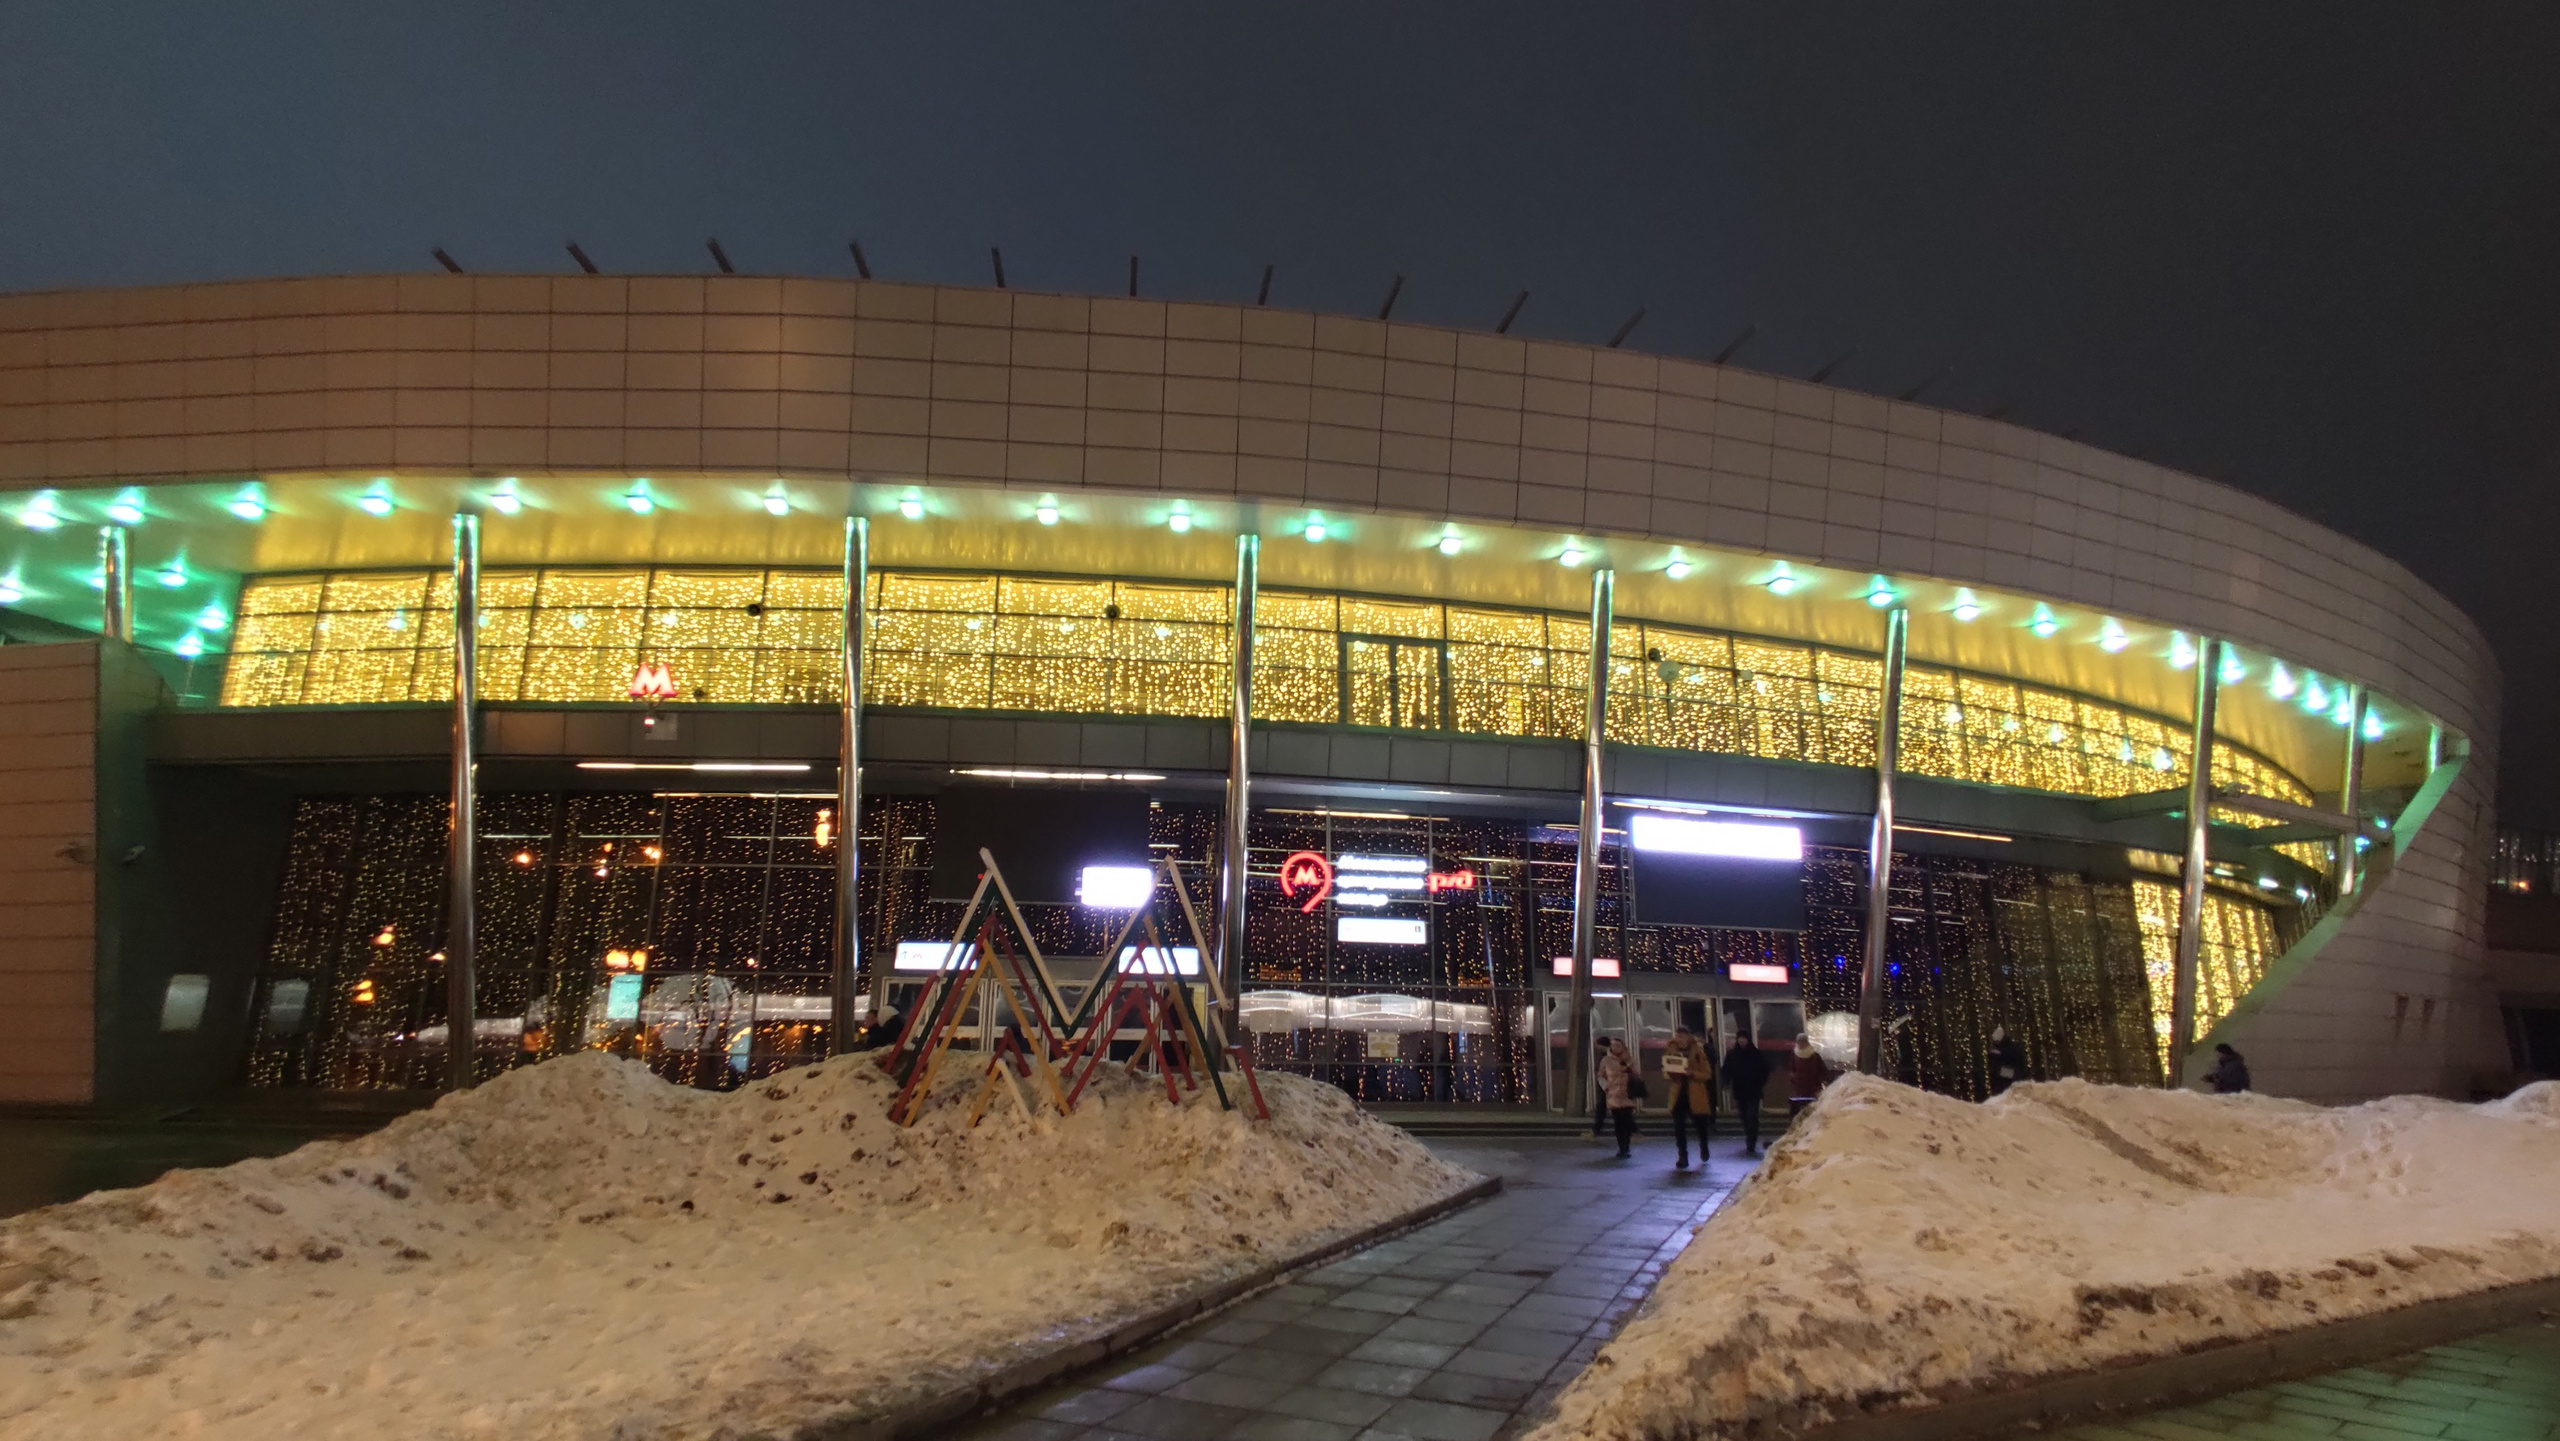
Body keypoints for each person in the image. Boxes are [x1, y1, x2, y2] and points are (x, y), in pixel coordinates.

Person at [1662, 1025, 1717, 1171]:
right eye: (1678, 1036)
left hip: (1695, 1093)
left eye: (1683, 1036)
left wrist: (1692, 1074)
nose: (1680, 1039)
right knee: (1679, 1127)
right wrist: (1673, 1073)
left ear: (1688, 1037)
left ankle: (1703, 1146)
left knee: (1700, 1125)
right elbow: (1666, 1070)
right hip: (1678, 1094)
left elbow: (1707, 1074)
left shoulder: (1698, 1051)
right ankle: (1682, 1156)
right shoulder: (1671, 1050)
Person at [1721, 1032, 1770, 1156]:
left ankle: (1751, 1141)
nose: (1742, 1041)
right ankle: (1749, 1135)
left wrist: (1760, 1083)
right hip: (1740, 1090)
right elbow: (1726, 1070)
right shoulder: (1733, 1054)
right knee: (1744, 1115)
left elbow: (1764, 1070)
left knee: (1752, 1115)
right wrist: (1725, 1082)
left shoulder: (1756, 1054)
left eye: (1744, 1039)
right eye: (1740, 1039)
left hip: (1754, 1090)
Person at [1599, 1037, 1638, 1158]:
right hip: (1613, 1094)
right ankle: (1622, 1148)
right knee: (1618, 1122)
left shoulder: (1629, 1059)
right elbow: (1600, 1075)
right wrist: (1606, 1087)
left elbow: (1637, 1074)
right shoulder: (1606, 1060)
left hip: (1627, 1094)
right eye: (1614, 1045)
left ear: (1623, 1047)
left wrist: (1629, 1070)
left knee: (1626, 1118)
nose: (1616, 1048)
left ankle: (1626, 1147)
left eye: (1618, 1046)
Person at [1787, 1033, 1833, 1119]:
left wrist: (1818, 1080)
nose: (1801, 1044)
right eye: (1799, 1042)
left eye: (1803, 1042)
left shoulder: (1814, 1055)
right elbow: (1791, 1068)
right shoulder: (1794, 1054)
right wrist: (1793, 1077)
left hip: (1812, 1087)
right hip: (1799, 1087)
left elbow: (1822, 1070)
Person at [1988, 1025, 2028, 1097]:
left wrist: (2000, 1054)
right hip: (2006, 1078)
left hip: (2013, 1076)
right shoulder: (2003, 1049)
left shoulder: (2011, 1049)